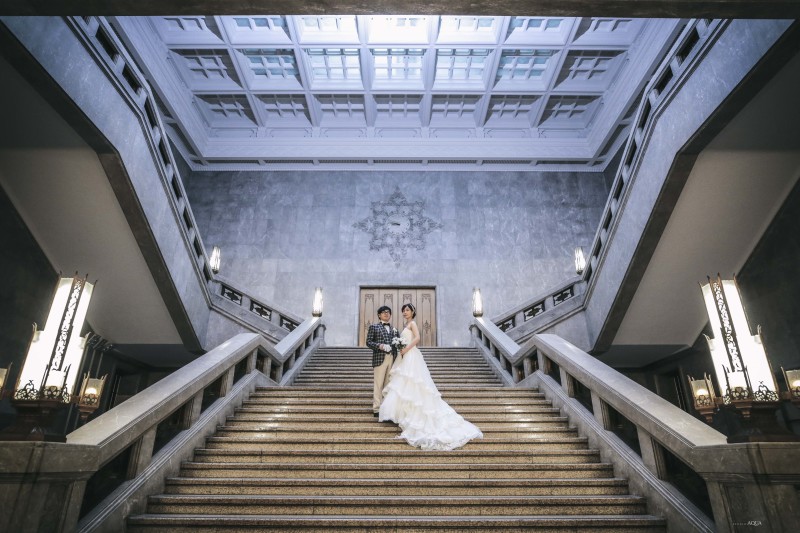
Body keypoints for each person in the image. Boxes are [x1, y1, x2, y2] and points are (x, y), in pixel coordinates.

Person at [380, 303, 483, 450]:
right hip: (405, 356)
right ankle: (404, 414)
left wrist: (406, 349)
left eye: (407, 310)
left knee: (414, 382)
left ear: (413, 312)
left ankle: (415, 414)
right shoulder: (406, 324)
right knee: (404, 384)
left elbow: (417, 338)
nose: (404, 312)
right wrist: (400, 348)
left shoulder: (413, 323)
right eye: (403, 310)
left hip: (411, 355)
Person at [366, 305, 398, 417]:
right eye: (384, 312)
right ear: (379, 315)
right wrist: (379, 345)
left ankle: (386, 408)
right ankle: (377, 408)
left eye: (388, 312)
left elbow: (397, 343)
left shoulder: (394, 329)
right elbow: (368, 342)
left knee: (388, 384)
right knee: (378, 384)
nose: (386, 314)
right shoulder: (374, 327)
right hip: (380, 358)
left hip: (392, 359)